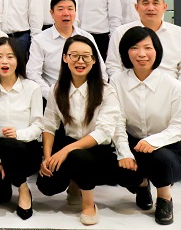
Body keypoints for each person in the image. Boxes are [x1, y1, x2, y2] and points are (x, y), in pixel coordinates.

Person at [106, 0, 181, 189]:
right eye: (145, 3)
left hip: (170, 90)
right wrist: (125, 84)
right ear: (136, 7)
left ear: (164, 7)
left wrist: (173, 90)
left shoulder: (180, 34)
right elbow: (113, 66)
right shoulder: (122, 33)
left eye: (155, 3)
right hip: (130, 87)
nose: (150, 7)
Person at [36, 36, 121, 226]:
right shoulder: (57, 89)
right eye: (74, 55)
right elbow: (49, 125)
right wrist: (47, 157)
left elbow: (104, 132)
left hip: (97, 150)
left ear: (94, 60)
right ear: (65, 58)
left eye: (86, 56)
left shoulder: (106, 91)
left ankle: (89, 204)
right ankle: (74, 182)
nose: (80, 61)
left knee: (79, 157)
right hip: (69, 145)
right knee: (47, 185)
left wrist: (66, 150)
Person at [112, 27, 181, 225]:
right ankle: (142, 184)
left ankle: (164, 198)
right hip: (132, 145)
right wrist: (124, 152)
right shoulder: (117, 82)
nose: (141, 54)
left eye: (148, 47)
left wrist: (153, 141)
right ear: (125, 52)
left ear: (157, 50)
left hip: (168, 149)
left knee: (158, 157)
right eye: (134, 48)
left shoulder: (173, 85)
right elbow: (117, 122)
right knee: (118, 167)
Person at [0, 37, 43, 220]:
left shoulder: (32, 88)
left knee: (11, 144)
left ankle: (23, 187)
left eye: (10, 56)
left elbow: (38, 125)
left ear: (18, 60)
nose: (4, 61)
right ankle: (8, 177)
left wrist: (18, 134)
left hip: (26, 149)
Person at [27, 0, 106, 100]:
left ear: (75, 12)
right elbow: (32, 73)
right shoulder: (40, 40)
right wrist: (50, 94)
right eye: (60, 9)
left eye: (70, 9)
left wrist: (94, 91)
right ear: (51, 13)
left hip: (86, 95)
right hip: (54, 94)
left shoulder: (86, 37)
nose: (66, 13)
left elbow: (101, 69)